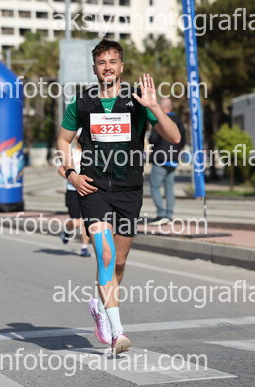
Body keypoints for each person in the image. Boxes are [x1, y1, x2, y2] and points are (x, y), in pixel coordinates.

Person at [56, 39, 181, 354]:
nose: (107, 67)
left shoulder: (137, 101)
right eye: (101, 62)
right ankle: (117, 331)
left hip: (129, 189)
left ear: (121, 67)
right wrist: (71, 174)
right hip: (93, 188)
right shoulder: (81, 103)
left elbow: (174, 136)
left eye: (113, 61)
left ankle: (101, 306)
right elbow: (63, 141)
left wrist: (154, 106)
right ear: (94, 68)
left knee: (120, 261)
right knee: (106, 256)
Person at [148, 98, 186, 226]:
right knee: (169, 188)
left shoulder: (159, 119)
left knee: (155, 187)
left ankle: (161, 214)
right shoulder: (178, 120)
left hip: (160, 158)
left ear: (161, 107)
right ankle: (169, 215)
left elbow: (153, 139)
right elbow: (182, 140)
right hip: (173, 159)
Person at [57, 131, 91, 257]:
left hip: (87, 190)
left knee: (87, 220)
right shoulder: (72, 153)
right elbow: (60, 169)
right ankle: (67, 231)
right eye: (80, 138)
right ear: (76, 139)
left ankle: (84, 247)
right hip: (72, 190)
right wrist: (71, 178)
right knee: (76, 222)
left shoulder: (91, 153)